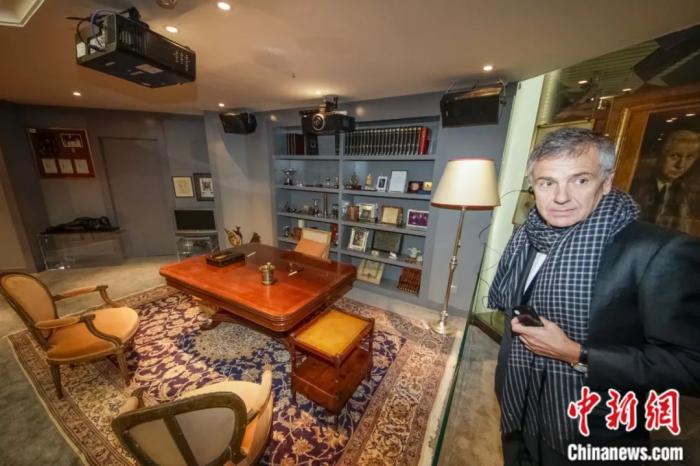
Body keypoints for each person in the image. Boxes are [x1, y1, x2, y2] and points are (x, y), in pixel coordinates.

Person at [488, 128, 700, 465]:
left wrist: (578, 353)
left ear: (606, 181)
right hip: (518, 404)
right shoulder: (527, 237)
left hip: (590, 428)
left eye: (580, 180)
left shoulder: (659, 251)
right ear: (533, 186)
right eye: (547, 183)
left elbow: (690, 365)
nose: (560, 197)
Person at [630, 129, 700, 235]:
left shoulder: (688, 193)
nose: (681, 165)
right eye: (675, 156)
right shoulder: (635, 185)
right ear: (659, 155)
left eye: (689, 157)